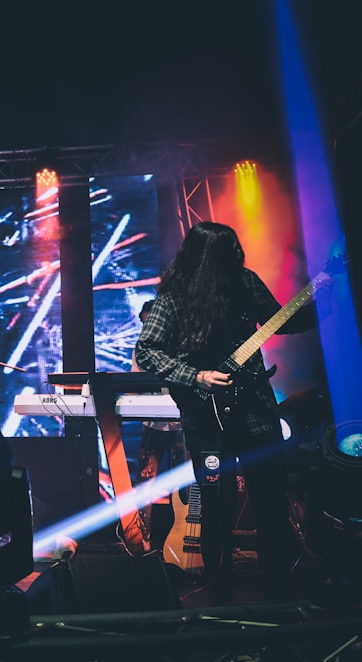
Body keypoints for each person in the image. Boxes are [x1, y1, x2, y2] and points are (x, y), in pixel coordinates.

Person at [134, 222, 323, 604]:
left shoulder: (245, 282)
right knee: (215, 510)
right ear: (207, 256)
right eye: (228, 252)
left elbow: (284, 322)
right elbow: (147, 350)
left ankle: (278, 596)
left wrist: (323, 300)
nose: (237, 257)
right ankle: (218, 600)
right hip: (206, 419)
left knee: (270, 502)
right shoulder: (174, 297)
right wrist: (197, 376)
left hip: (256, 411)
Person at [132, 299, 187, 544]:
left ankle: (181, 539)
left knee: (183, 486)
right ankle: (141, 541)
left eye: (149, 323)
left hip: (181, 424)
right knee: (145, 483)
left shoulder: (182, 345)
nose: (146, 329)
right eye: (144, 324)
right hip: (152, 423)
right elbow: (133, 382)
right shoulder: (141, 349)